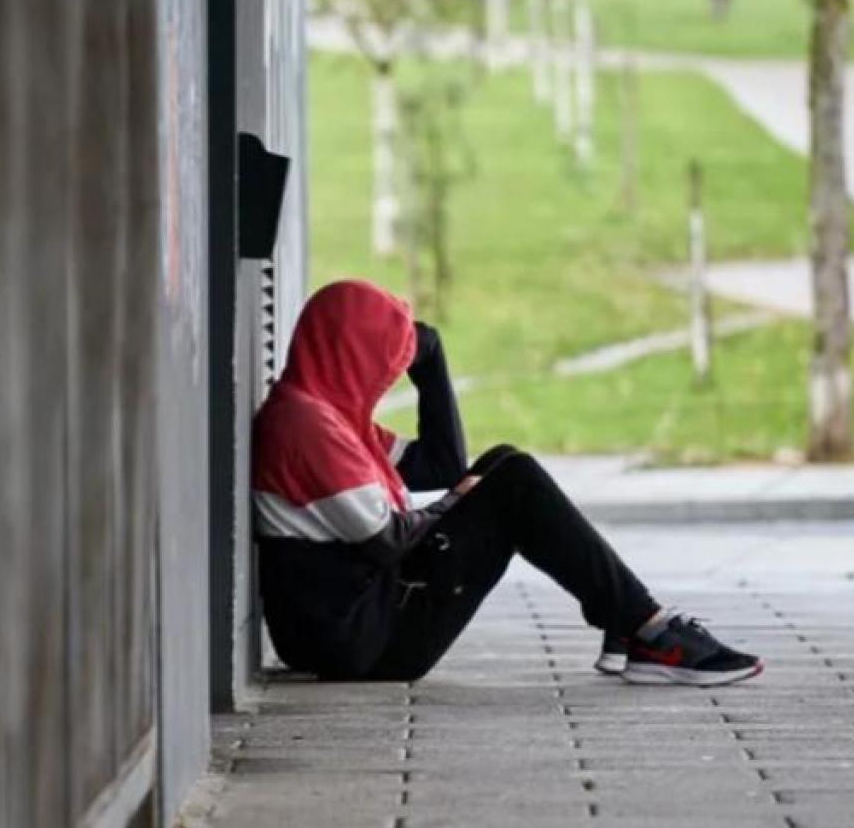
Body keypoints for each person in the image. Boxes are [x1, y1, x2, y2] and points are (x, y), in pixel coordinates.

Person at [252, 279, 761, 686]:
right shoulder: (306, 425)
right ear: (349, 351)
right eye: (384, 353)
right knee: (513, 482)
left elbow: (440, 464)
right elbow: (389, 541)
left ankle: (629, 621)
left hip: (360, 622)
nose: (388, 369)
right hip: (362, 644)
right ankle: (648, 630)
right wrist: (456, 502)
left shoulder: (331, 416)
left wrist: (432, 362)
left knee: (502, 463)